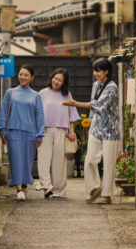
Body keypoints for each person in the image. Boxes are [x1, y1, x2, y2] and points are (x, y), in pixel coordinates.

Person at [63, 58, 120, 204]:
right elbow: (94, 110)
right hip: (96, 128)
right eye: (95, 70)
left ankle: (106, 195)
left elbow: (98, 104)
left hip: (111, 129)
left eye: (99, 70)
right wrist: (90, 126)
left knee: (108, 163)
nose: (96, 73)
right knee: (89, 160)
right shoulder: (95, 85)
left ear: (106, 71)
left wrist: (76, 103)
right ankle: (95, 187)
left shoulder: (112, 87)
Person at [0, 65, 45, 201]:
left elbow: (39, 116)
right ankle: (18, 189)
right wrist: (2, 129)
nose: (22, 77)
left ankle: (23, 185)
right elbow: (4, 111)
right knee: (16, 160)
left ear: (32, 78)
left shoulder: (36, 96)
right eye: (20, 74)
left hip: (30, 133)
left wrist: (40, 134)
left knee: (27, 162)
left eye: (26, 75)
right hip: (13, 132)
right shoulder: (10, 92)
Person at [37, 68, 80, 198]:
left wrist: (71, 132)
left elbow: (72, 115)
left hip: (61, 131)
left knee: (59, 162)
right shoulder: (42, 93)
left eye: (60, 80)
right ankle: (46, 187)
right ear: (51, 78)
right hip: (44, 130)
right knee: (43, 159)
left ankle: (58, 190)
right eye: (55, 78)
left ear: (64, 83)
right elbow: (37, 114)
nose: (56, 82)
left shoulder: (67, 95)